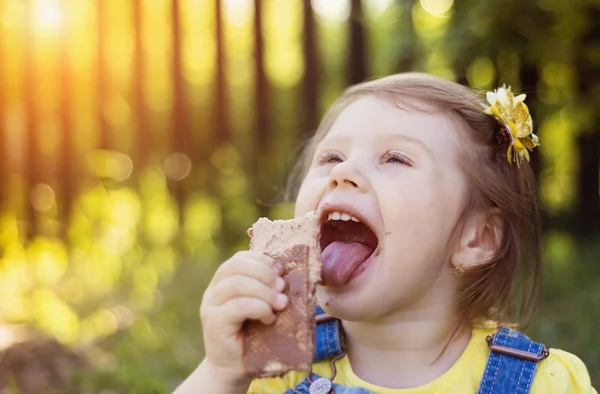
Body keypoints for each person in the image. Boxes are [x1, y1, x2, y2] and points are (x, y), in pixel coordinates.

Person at [174, 73, 597, 393]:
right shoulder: (275, 368)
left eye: (394, 158)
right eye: (332, 156)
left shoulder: (545, 383)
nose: (343, 172)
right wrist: (220, 372)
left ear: (476, 237)